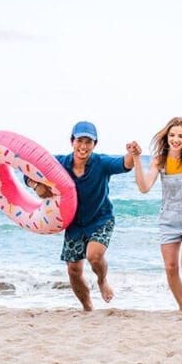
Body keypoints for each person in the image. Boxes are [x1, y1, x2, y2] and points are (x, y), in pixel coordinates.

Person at [127, 117, 182, 313]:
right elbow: (144, 187)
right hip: (169, 219)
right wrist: (136, 159)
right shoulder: (159, 161)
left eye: (181, 136)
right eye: (172, 135)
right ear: (166, 137)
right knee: (170, 267)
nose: (176, 139)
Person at [54, 121, 134, 311]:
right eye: (79, 141)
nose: (83, 146)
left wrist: (132, 154)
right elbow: (32, 169)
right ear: (72, 141)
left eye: (88, 142)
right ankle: (87, 307)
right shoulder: (60, 163)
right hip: (74, 223)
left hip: (101, 219)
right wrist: (34, 185)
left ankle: (102, 280)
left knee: (94, 256)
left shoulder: (101, 163)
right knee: (73, 270)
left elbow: (124, 164)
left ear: (94, 144)